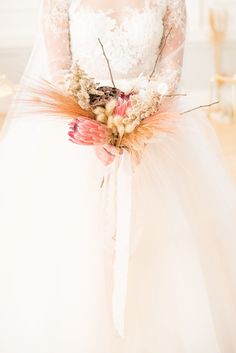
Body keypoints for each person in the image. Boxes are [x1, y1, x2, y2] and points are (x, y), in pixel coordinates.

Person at [0, 0, 236, 352]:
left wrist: (136, 126)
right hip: (77, 133)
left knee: (165, 249)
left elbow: (169, 77)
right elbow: (61, 71)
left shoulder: (172, 2)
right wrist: (98, 129)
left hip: (154, 134)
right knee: (77, 249)